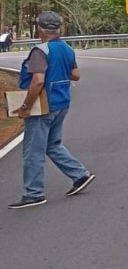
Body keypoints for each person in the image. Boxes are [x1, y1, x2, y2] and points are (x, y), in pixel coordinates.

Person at [8, 11, 95, 209]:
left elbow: (38, 80)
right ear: (58, 28)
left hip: (43, 106)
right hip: (62, 102)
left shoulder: (40, 51)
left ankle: (33, 193)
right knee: (53, 144)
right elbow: (76, 75)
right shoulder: (66, 48)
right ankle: (80, 175)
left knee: (33, 151)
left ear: (40, 29)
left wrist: (25, 107)